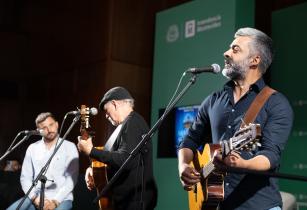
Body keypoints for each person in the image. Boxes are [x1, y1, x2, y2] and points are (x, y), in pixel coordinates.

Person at [178, 27, 294, 210]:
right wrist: (183, 165)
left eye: (235, 49)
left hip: (258, 205)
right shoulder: (213, 100)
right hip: (216, 204)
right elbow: (190, 140)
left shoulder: (276, 103)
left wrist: (243, 164)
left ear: (255, 60)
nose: (226, 53)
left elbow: (270, 155)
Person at [77, 86, 157, 210]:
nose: (106, 116)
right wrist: (91, 168)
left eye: (106, 111)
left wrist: (91, 151)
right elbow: (110, 156)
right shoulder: (124, 125)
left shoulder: (132, 123)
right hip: (123, 201)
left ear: (114, 104)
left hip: (133, 202)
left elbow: (125, 159)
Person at [7, 112, 79, 210]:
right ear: (38, 131)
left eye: (51, 125)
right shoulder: (32, 148)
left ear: (57, 124)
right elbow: (25, 178)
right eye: (44, 128)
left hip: (61, 199)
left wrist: (55, 202)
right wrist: (35, 199)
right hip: (36, 197)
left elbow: (71, 179)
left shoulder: (69, 146)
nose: (49, 130)